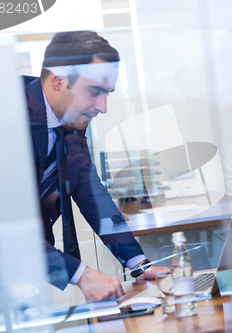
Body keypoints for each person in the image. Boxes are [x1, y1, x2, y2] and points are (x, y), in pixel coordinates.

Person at [24, 31, 169, 302]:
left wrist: (139, 264)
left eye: (107, 94)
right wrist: (81, 274)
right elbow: (2, 221)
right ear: (57, 80)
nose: (102, 107)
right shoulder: (5, 114)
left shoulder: (70, 119)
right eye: (94, 92)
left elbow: (89, 191)